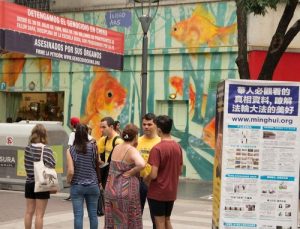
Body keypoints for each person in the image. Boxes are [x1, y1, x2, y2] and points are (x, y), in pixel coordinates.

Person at [104, 124, 145, 229]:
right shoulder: (131, 150)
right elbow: (141, 164)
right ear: (136, 136)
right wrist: (132, 172)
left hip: (110, 189)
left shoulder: (117, 147)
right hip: (125, 191)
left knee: (114, 221)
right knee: (128, 220)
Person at [146, 115, 183, 229]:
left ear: (159, 130)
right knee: (167, 220)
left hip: (158, 192)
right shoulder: (178, 146)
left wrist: (145, 179)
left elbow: (153, 174)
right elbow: (180, 171)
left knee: (159, 222)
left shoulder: (157, 149)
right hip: (171, 191)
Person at [66, 124, 101, 229]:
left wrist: (68, 180)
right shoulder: (94, 147)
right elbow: (97, 163)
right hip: (93, 185)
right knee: (93, 215)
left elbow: (71, 171)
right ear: (87, 133)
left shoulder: (71, 150)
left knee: (78, 215)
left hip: (77, 185)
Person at [24, 124, 56, 229]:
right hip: (41, 183)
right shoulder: (47, 149)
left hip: (29, 182)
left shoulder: (27, 148)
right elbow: (52, 165)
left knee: (29, 212)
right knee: (39, 214)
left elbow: (26, 164)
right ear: (44, 135)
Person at [137, 113, 160, 215]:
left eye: (149, 124)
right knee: (137, 214)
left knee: (156, 216)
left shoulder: (160, 142)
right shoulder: (137, 141)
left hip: (154, 182)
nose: (146, 127)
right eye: (144, 124)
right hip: (139, 181)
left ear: (155, 125)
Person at [97, 116, 123, 187]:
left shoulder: (118, 141)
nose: (101, 130)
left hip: (114, 178)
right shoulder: (103, 139)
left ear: (111, 127)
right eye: (100, 127)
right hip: (105, 176)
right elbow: (95, 152)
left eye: (104, 127)